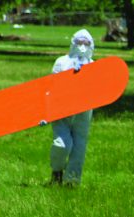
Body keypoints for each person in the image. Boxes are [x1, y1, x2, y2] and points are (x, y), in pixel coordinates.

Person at [49, 29, 95, 186]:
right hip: (62, 111)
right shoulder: (61, 62)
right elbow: (52, 86)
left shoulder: (95, 66)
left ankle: (72, 181)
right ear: (73, 43)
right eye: (79, 42)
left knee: (79, 147)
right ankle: (57, 172)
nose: (82, 46)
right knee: (61, 144)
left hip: (83, 112)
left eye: (86, 43)